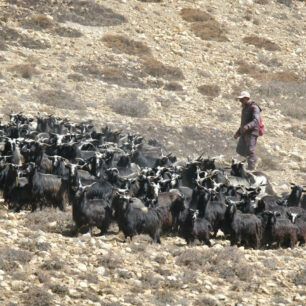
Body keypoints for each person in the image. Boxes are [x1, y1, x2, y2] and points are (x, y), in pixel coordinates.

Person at [234, 91, 260, 171]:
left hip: (252, 132)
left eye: (241, 100)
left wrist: (248, 126)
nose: (240, 101)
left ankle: (251, 169)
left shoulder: (254, 107)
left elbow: (256, 120)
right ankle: (250, 162)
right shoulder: (245, 108)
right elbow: (243, 123)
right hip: (244, 132)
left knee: (250, 151)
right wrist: (238, 133)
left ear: (247, 99)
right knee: (240, 149)